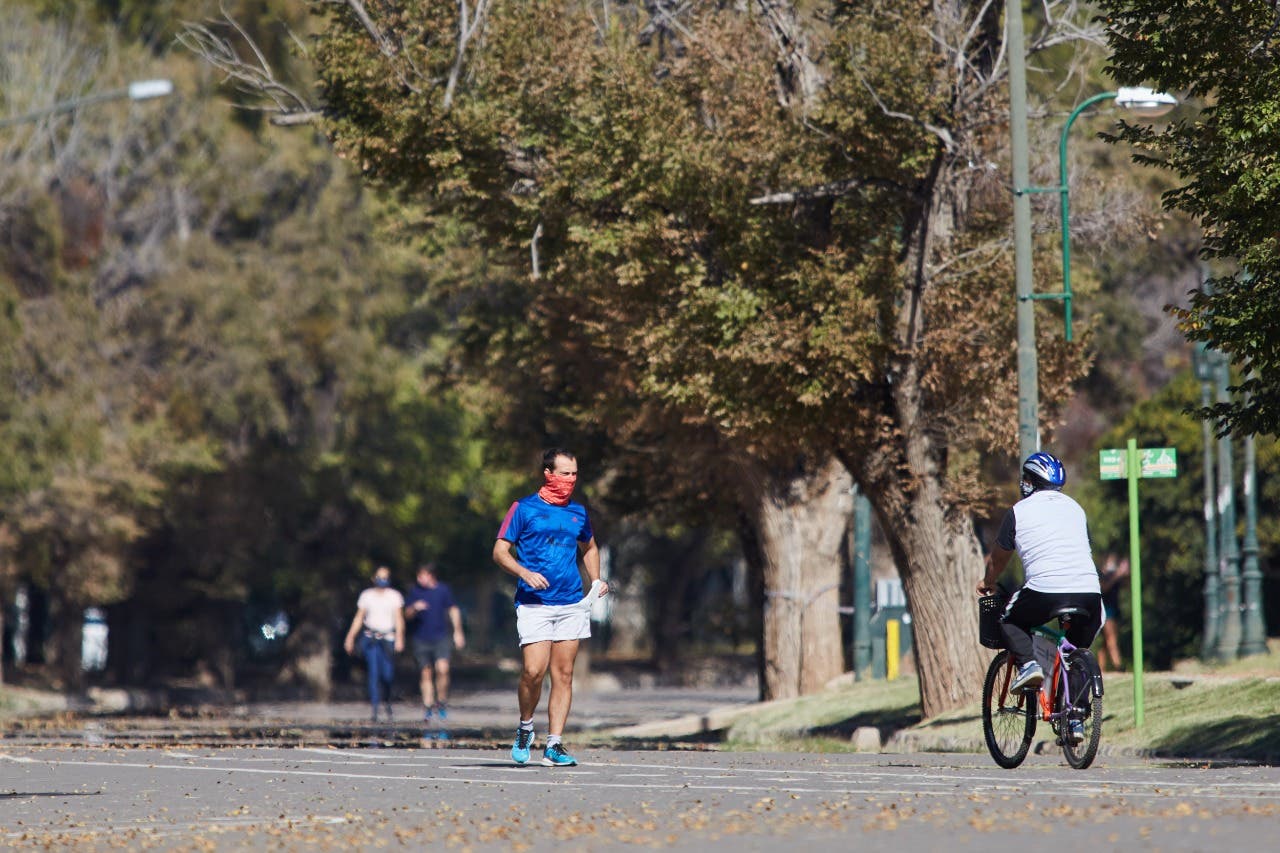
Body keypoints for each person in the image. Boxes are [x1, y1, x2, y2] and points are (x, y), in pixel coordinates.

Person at [977, 452, 1104, 742]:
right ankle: (1075, 718)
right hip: (1089, 592)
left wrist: (988, 582)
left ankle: (1029, 665)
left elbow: (998, 559)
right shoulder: (1076, 509)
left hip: (1044, 590)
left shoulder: (1019, 511)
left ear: (1030, 482)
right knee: (1076, 651)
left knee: (1009, 620)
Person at [493, 448, 608, 767]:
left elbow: (589, 547)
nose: (571, 480)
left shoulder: (578, 513)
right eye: (565, 473)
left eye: (574, 474)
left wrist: (596, 580)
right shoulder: (523, 508)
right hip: (534, 604)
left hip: (571, 601)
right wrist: (524, 572)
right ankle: (526, 727)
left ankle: (554, 744)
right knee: (533, 671)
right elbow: (500, 551)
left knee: (564, 673)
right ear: (548, 474)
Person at [403, 562, 466, 726]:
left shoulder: (443, 590)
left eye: (422, 575)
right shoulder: (415, 592)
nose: (419, 579)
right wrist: (414, 608)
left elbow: (453, 610)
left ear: (431, 575)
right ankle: (428, 706)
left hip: (441, 637)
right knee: (426, 672)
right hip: (420, 638)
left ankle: (442, 701)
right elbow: (406, 614)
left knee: (442, 669)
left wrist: (458, 632)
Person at [343, 565, 406, 722]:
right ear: (373, 578)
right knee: (373, 673)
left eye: (385, 577)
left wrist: (400, 637)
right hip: (371, 638)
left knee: (387, 674)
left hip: (388, 638)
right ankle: (375, 708)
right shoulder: (367, 596)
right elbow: (359, 618)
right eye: (379, 577)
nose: (382, 580)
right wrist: (350, 637)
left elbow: (399, 618)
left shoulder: (394, 596)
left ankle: (388, 700)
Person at [1096, 553, 1130, 673]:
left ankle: (1101, 667)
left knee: (1107, 641)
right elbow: (1103, 588)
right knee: (1111, 638)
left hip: (1114, 610)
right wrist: (1117, 575)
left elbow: (1127, 585)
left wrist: (1125, 573)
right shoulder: (1102, 575)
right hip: (1105, 610)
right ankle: (1118, 665)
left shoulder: (1114, 576)